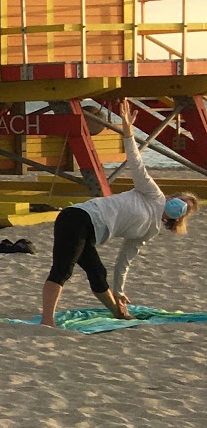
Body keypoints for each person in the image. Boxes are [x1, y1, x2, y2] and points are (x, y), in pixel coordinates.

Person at [41, 102, 199, 325]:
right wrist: (128, 133)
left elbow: (125, 260)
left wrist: (119, 290)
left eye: (186, 207)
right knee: (62, 271)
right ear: (173, 197)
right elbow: (136, 164)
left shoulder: (151, 230)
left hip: (90, 232)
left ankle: (117, 310)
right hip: (80, 217)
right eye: (181, 200)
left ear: (179, 218)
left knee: (98, 273)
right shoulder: (153, 195)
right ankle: (47, 320)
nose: (180, 204)